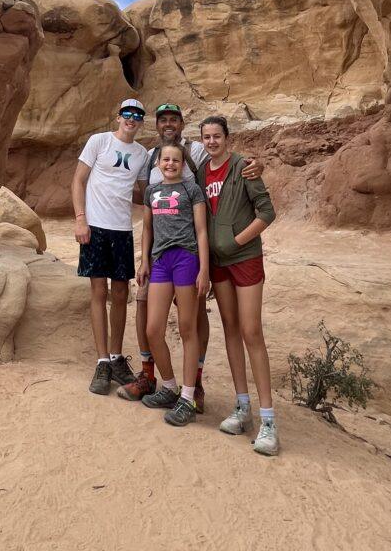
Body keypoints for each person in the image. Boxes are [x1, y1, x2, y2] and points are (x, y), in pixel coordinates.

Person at [118, 102, 263, 413]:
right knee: (145, 308)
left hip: (188, 251)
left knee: (193, 319)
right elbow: (146, 207)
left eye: (174, 119)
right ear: (156, 125)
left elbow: (218, 161)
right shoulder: (147, 156)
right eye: (163, 120)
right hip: (157, 253)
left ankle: (192, 384)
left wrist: (251, 165)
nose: (168, 124)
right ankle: (150, 376)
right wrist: (144, 257)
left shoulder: (196, 150)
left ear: (182, 123)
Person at [197, 114, 280, 456]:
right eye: (207, 137)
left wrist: (236, 242)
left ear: (227, 138)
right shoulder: (202, 173)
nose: (212, 141)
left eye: (217, 136)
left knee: (251, 331)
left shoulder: (243, 167)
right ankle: (242, 406)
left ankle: (269, 421)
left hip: (244, 259)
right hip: (218, 265)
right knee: (230, 328)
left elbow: (267, 212)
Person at [72, 98, 149, 395]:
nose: (132, 118)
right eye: (127, 113)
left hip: (121, 229)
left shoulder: (141, 153)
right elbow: (78, 181)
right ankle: (102, 360)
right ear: (118, 116)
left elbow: (143, 194)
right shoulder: (99, 141)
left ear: (141, 121)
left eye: (138, 115)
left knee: (120, 292)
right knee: (98, 290)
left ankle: (116, 357)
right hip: (96, 226)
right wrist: (81, 220)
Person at [136, 143, 210, 426]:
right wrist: (144, 261)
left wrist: (204, 269)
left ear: (184, 164)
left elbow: (201, 231)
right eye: (165, 159)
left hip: (185, 259)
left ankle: (188, 397)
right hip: (160, 261)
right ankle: (168, 386)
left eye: (175, 160)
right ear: (157, 164)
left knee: (187, 328)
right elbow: (147, 229)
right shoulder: (151, 192)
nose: (170, 163)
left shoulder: (192, 190)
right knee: (153, 329)